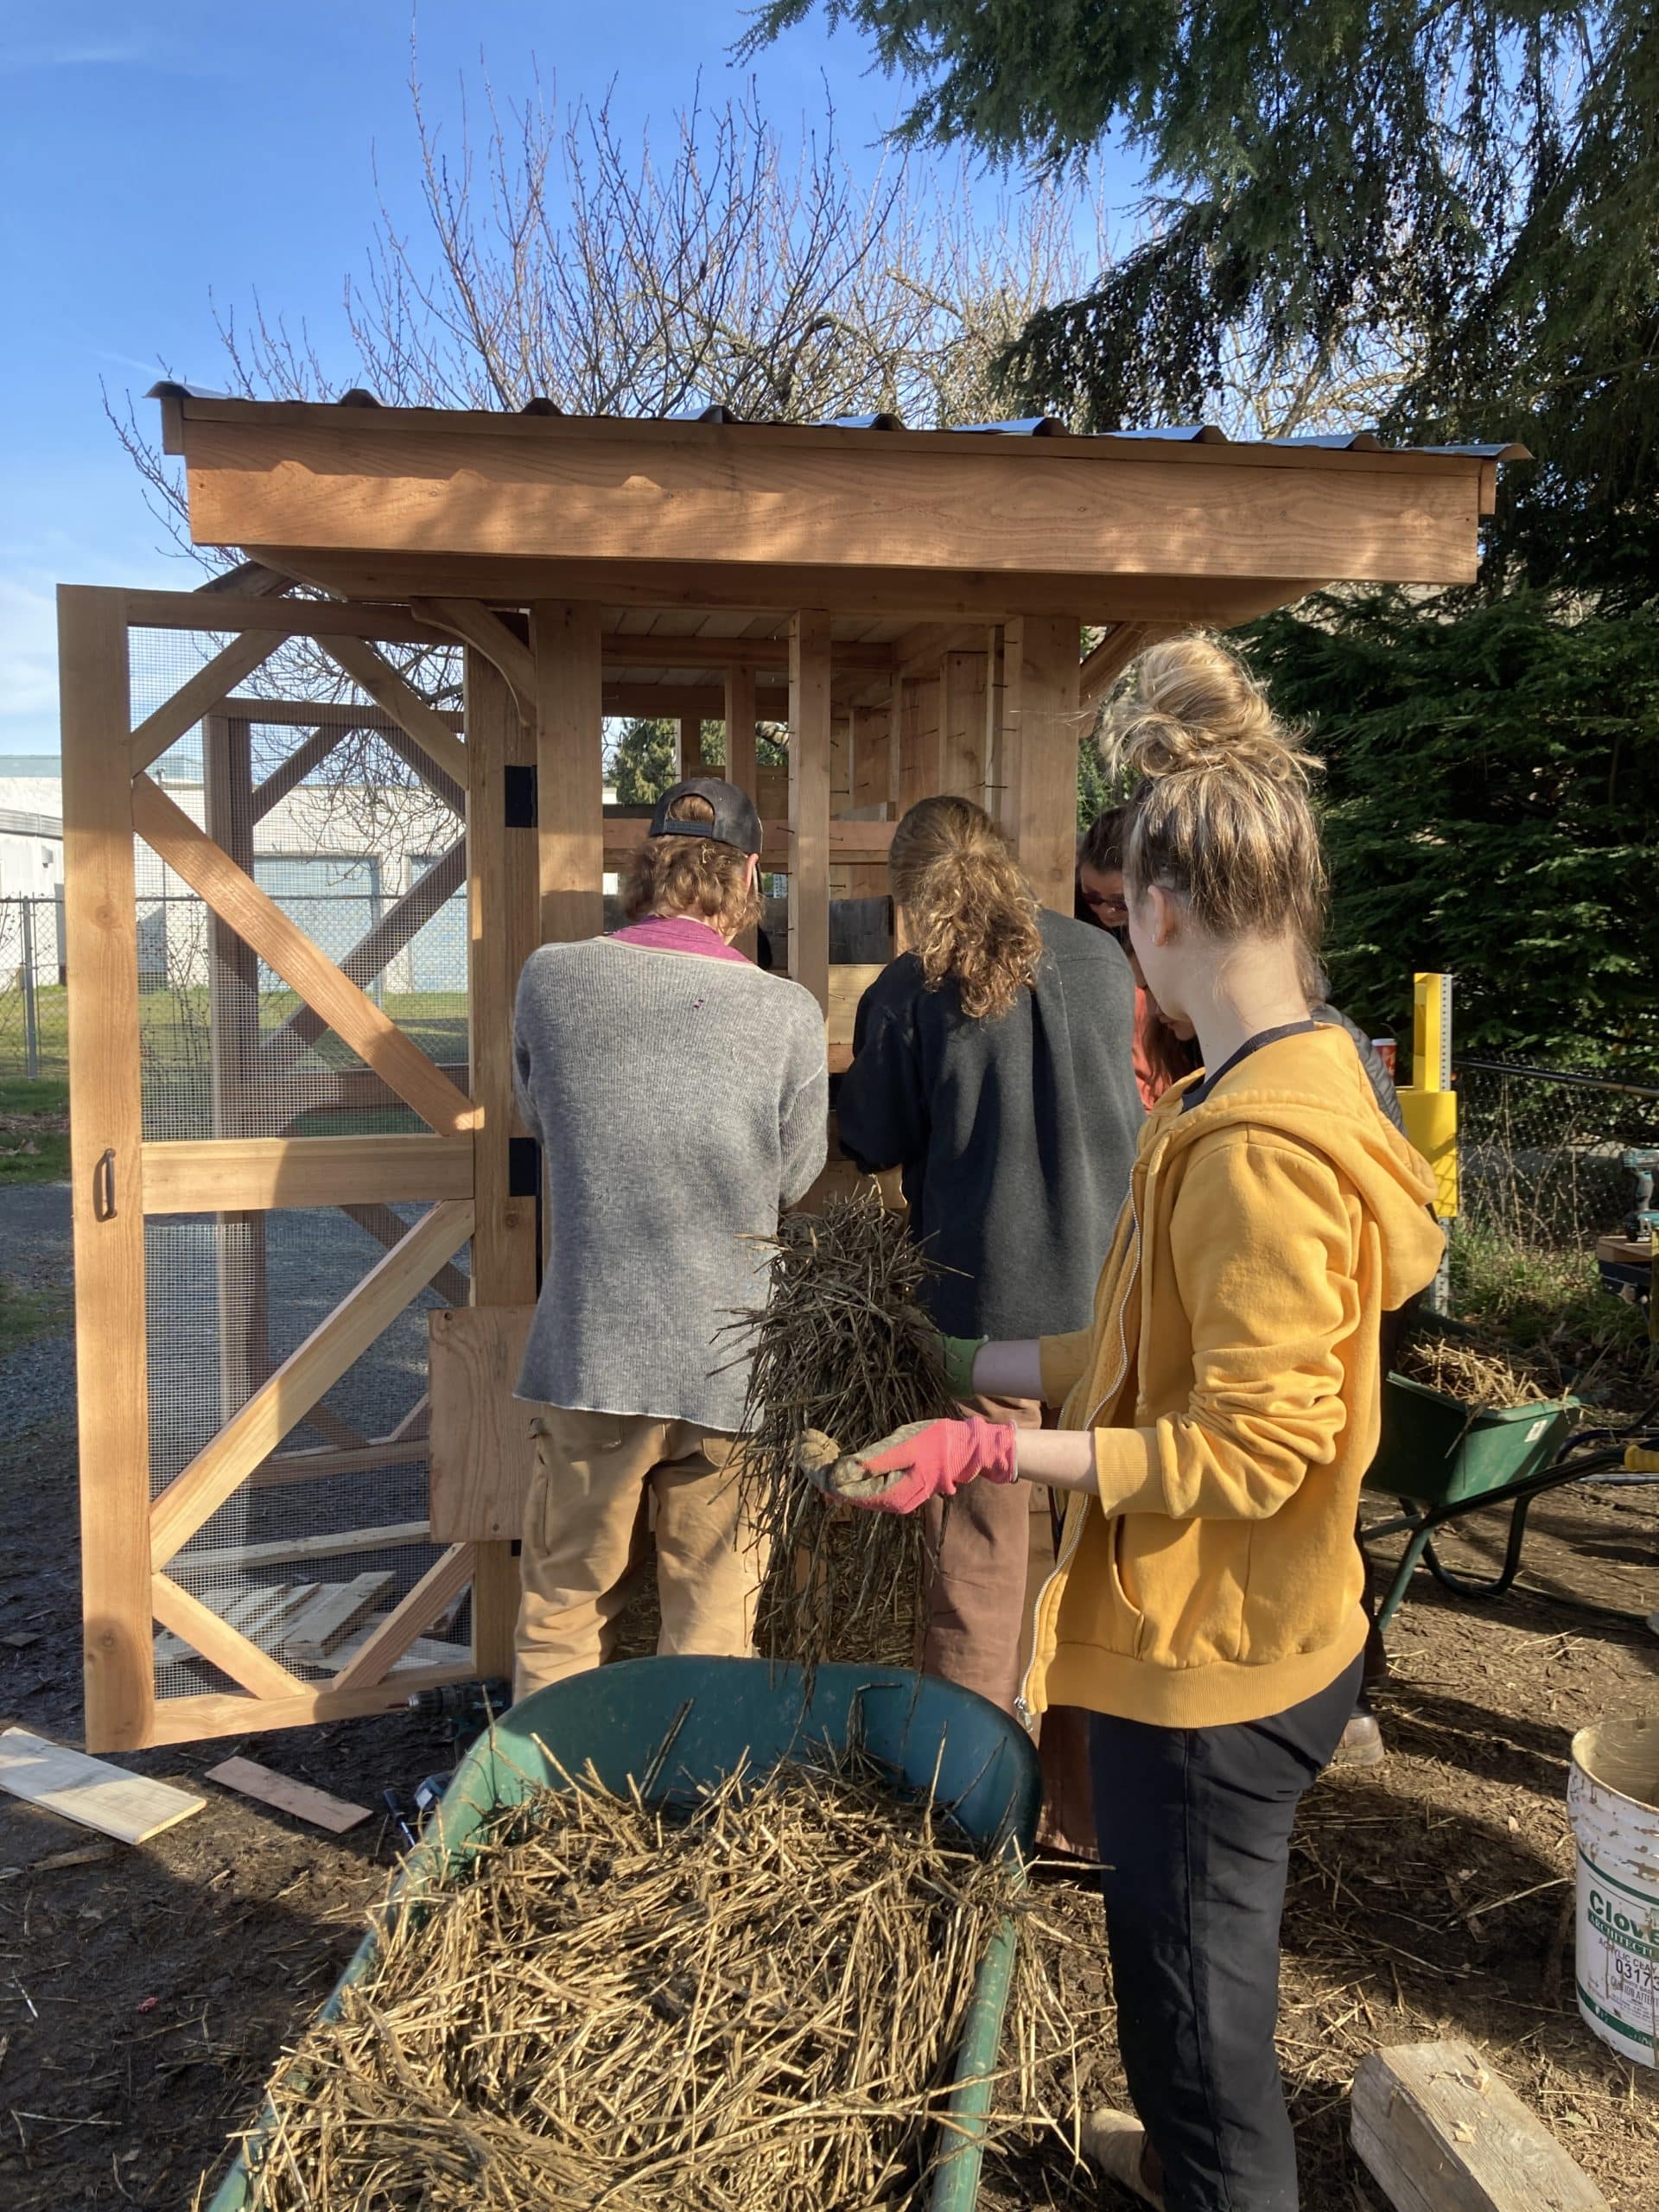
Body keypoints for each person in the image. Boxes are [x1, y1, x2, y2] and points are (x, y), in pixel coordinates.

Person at [821, 641, 1444, 2212]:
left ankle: (1210, 2177)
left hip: (1214, 1663)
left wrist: (992, 1447)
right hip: (1267, 1629)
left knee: (1200, 2035)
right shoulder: (1308, 1080)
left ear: (1157, 912)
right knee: (1184, 1998)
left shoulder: (1251, 1147)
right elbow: (1168, 1345)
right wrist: (1003, 1367)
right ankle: (1179, 2164)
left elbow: (1252, 1445)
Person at [510, 778, 828, 1699]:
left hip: (590, 1350)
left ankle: (537, 1815)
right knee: (716, 1617)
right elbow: (795, 1175)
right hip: (731, 1358)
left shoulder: (551, 977)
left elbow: (542, 1115)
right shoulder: (786, 1010)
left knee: (565, 1597)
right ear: (748, 878)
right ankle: (698, 1814)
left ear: (641, 871)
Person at [836, 794, 1143, 1721]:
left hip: (984, 1313)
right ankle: (1092, 1771)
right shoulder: (1100, 959)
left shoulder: (905, 991)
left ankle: (963, 1763)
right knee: (1112, 1533)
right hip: (1114, 1297)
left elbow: (872, 1137)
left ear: (908, 892)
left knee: (977, 1544)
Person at [1078, 807, 1202, 1103]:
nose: (1106, 910)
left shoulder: (1178, 933)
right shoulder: (1077, 916)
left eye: (1119, 902)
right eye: (1092, 897)